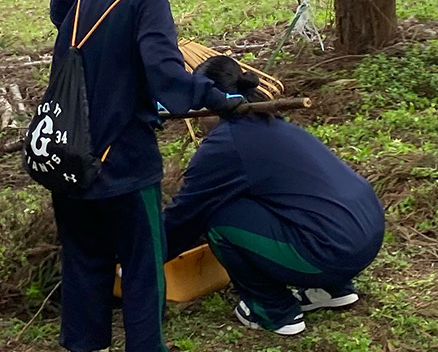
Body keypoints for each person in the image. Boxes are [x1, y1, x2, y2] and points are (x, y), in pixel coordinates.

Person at [44, 0, 235, 352]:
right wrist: (216, 97)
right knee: (142, 261)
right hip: (122, 162)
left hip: (68, 155)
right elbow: (167, 76)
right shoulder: (147, 1)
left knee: (84, 251)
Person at [164, 57, 385, 337]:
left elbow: (185, 215)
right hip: (365, 236)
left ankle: (273, 310)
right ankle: (331, 289)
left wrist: (138, 259)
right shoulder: (273, 124)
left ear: (208, 102)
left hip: (328, 253)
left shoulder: (225, 145)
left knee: (218, 218)